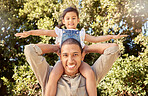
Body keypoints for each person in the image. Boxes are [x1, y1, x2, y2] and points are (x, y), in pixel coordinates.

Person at [15, 6, 127, 96]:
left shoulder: (81, 34)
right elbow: (44, 32)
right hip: (60, 63)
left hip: (81, 62)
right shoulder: (60, 32)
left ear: (78, 20)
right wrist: (30, 33)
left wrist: (109, 38)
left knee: (89, 73)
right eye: (68, 18)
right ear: (63, 21)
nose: (71, 21)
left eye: (74, 18)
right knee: (53, 76)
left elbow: (96, 39)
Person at [24, 38, 120, 96]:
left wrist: (87, 49)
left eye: (75, 54)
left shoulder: (91, 74)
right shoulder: (47, 75)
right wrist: (55, 48)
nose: (70, 60)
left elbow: (113, 49)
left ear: (82, 56)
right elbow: (29, 50)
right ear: (60, 56)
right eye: (65, 55)